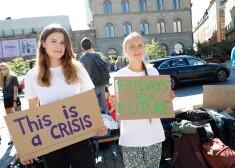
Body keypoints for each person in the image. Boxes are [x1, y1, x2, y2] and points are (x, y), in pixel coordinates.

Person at [23, 24, 107, 167]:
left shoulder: (78, 68)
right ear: (43, 43)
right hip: (50, 139)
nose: (59, 46)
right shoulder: (32, 75)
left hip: (79, 135)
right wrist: (26, 146)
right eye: (53, 41)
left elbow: (89, 100)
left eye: (62, 42)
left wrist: (98, 123)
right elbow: (32, 111)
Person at [111, 32, 174, 168]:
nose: (136, 49)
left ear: (145, 48)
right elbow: (116, 110)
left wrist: (167, 98)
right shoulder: (120, 76)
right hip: (131, 139)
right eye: (131, 46)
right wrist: (114, 104)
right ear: (124, 50)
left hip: (154, 136)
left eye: (140, 45)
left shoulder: (153, 72)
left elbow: (159, 103)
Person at [79, 37, 110, 115]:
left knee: (95, 106)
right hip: (102, 82)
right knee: (103, 104)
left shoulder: (83, 58)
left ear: (82, 47)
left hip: (91, 84)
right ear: (91, 45)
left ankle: (100, 122)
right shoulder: (97, 55)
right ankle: (109, 120)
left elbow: (82, 74)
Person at [0, 63, 22, 145]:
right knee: (9, 121)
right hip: (6, 100)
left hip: (14, 99)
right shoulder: (2, 79)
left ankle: (21, 136)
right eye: (1, 69)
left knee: (19, 119)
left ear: (8, 68)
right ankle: (12, 138)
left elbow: (15, 91)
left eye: (5, 68)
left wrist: (14, 102)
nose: (3, 70)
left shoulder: (13, 77)